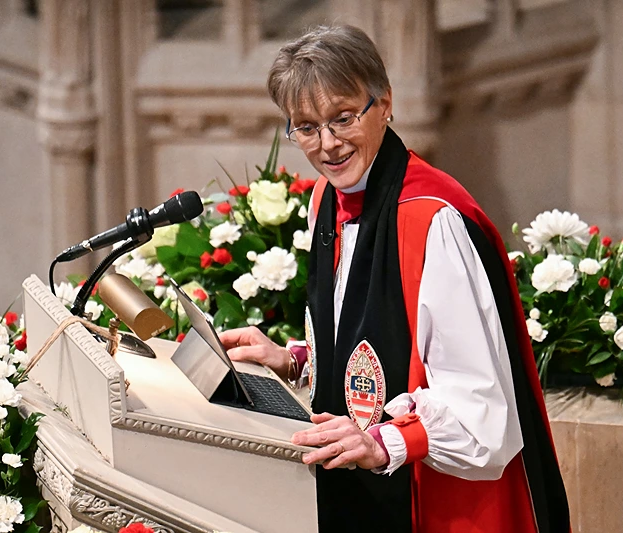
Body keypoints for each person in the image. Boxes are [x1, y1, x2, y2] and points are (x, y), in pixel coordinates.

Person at [218, 25, 569, 533]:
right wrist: (296, 360)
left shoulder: (433, 221)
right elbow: (374, 351)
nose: (329, 144)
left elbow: (480, 407)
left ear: (384, 104)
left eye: (343, 118)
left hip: (440, 503)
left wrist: (383, 440)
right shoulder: (325, 201)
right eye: (307, 127)